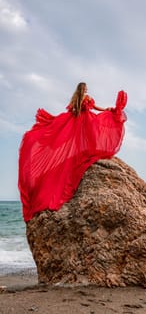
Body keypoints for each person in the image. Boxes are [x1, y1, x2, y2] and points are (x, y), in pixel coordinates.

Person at [18, 82, 127, 222]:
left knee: (80, 141)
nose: (87, 89)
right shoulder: (86, 98)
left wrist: (103, 109)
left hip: (76, 122)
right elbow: (94, 108)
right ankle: (89, 152)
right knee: (91, 137)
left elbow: (73, 110)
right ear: (83, 89)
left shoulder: (76, 99)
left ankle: (86, 151)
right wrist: (106, 110)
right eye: (86, 87)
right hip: (85, 121)